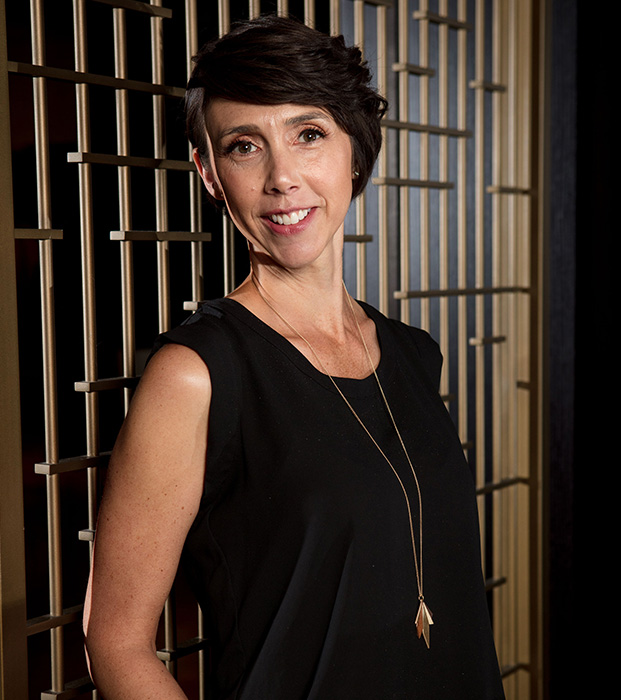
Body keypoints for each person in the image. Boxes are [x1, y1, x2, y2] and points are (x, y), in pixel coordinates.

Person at [83, 14, 505, 700]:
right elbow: (116, 642)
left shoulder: (412, 352)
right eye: (245, 146)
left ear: (352, 152)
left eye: (308, 135)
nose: (282, 177)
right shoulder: (196, 373)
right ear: (210, 174)